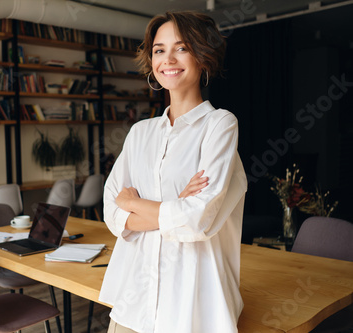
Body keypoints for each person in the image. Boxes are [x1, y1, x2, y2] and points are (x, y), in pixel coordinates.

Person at [100, 11, 248, 333]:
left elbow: (197, 219)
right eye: (159, 50)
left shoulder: (220, 125)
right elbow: (112, 213)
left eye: (181, 48)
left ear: (202, 57)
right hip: (134, 302)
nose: (168, 58)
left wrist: (134, 202)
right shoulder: (140, 133)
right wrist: (175, 205)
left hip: (193, 304)